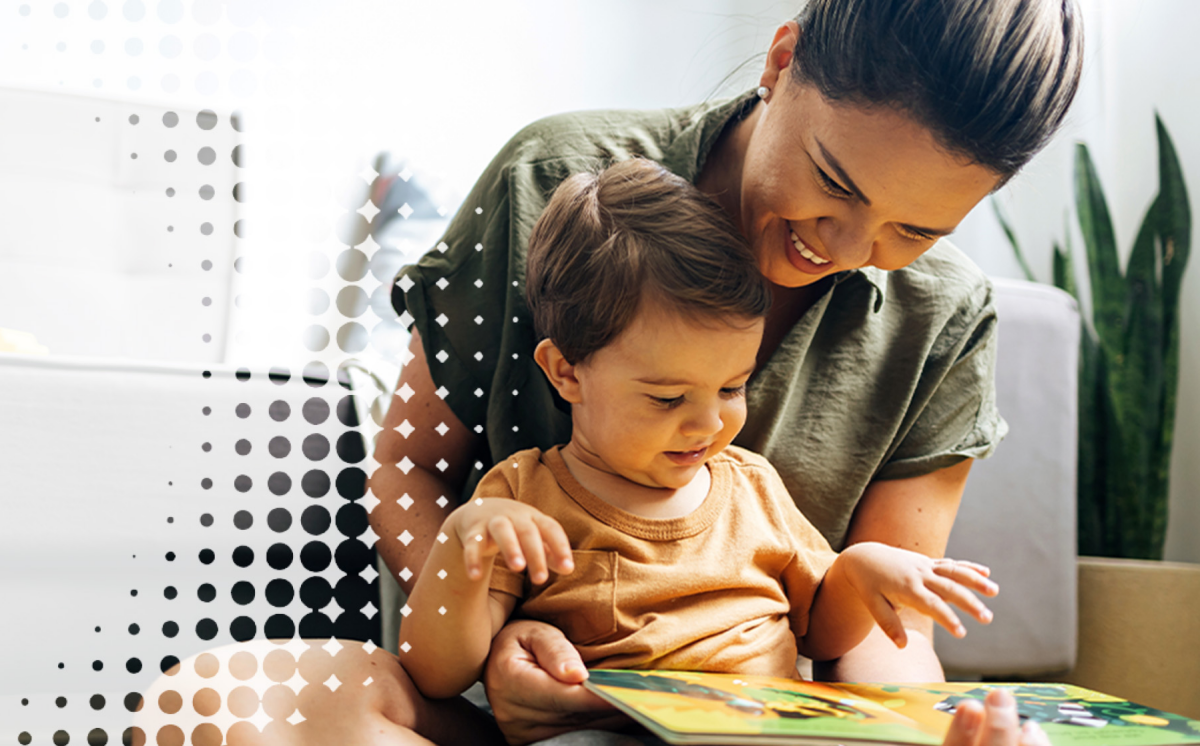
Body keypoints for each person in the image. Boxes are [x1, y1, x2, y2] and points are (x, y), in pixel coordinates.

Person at [370, 1, 1083, 744]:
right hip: (524, 711)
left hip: (753, 723)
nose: (845, 246)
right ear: (780, 63)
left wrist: (922, 734)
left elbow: (875, 632)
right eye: (835, 182)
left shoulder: (945, 315)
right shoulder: (545, 180)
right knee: (280, 698)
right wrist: (489, 642)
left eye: (917, 231)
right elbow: (407, 465)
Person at [400, 159, 1000, 723]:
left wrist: (862, 572)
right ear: (566, 372)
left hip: (759, 730)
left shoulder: (752, 487)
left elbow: (820, 631)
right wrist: (459, 546)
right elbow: (436, 674)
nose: (707, 425)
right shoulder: (522, 498)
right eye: (667, 398)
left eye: (733, 388)